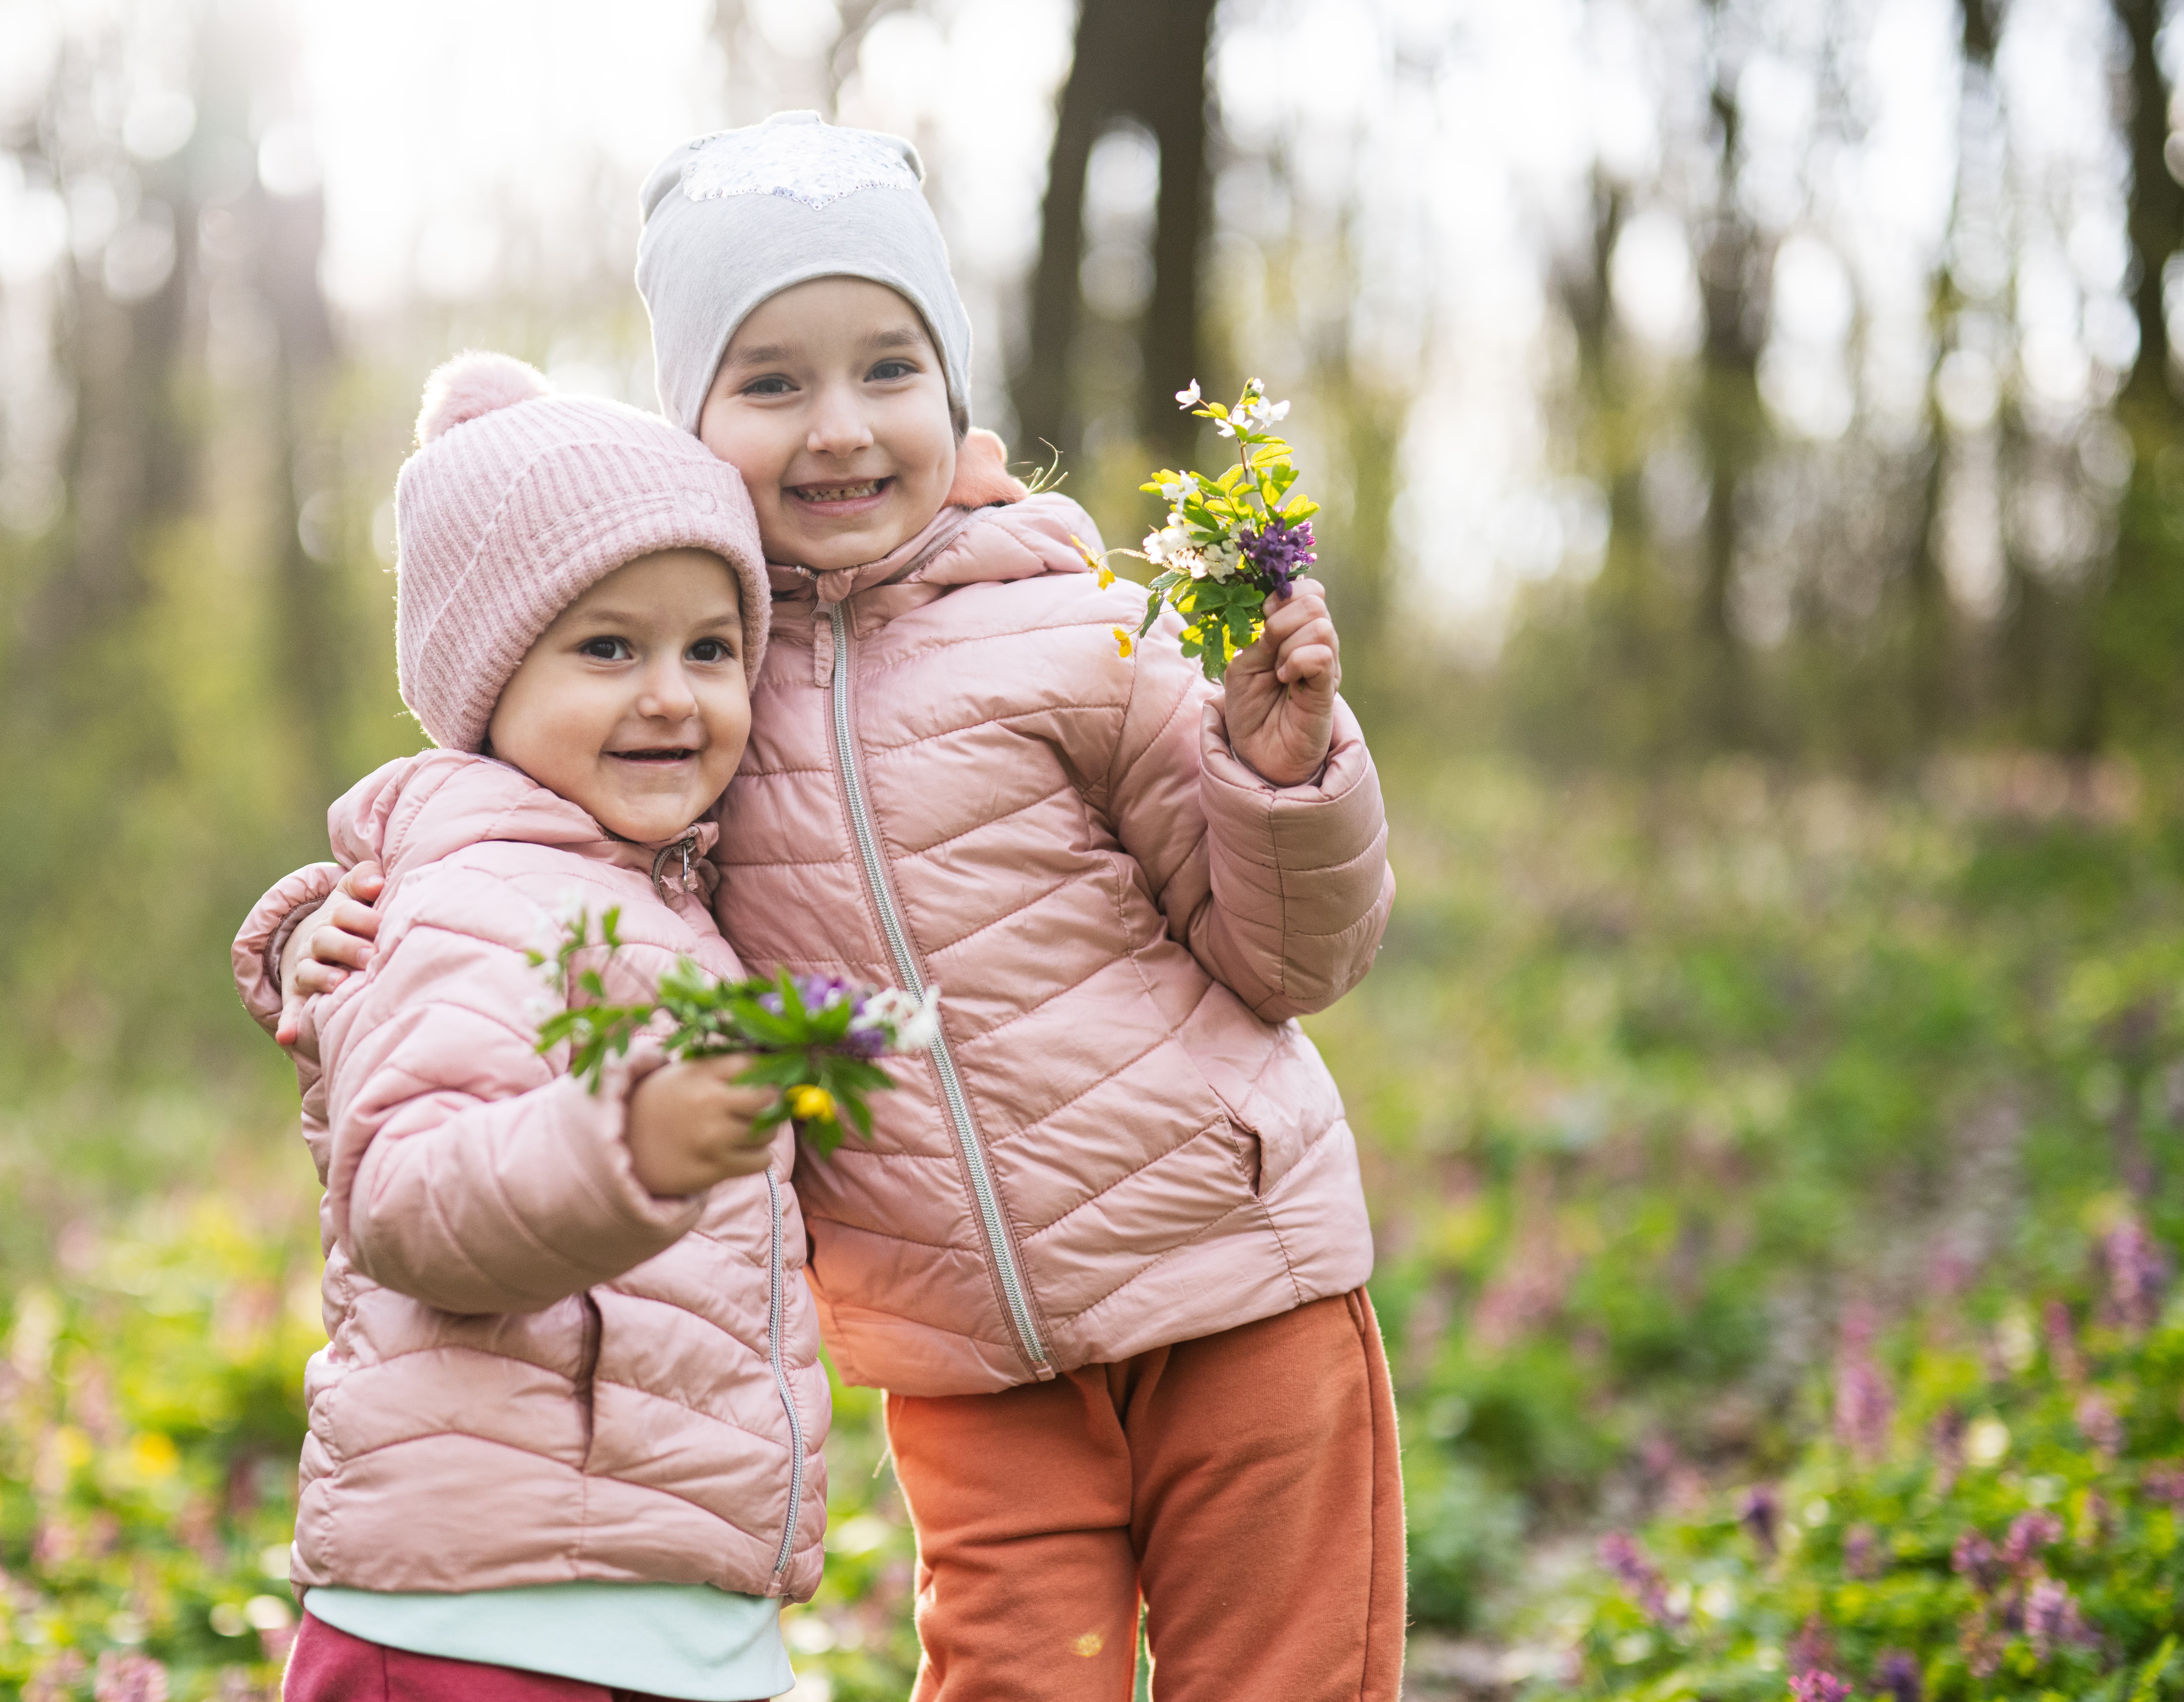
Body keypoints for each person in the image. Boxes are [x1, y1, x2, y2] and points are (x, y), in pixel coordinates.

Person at [280, 114, 1399, 1702]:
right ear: (690, 421)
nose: (841, 428)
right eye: (771, 382)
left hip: (1236, 1270)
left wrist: (1284, 777)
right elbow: (515, 866)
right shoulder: (693, 694)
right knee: (1016, 1676)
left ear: (954, 388)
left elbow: (1295, 957)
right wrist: (319, 928)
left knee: (1287, 1673)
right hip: (958, 1346)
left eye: (889, 368)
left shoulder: (1077, 626)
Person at [232, 352, 828, 1702]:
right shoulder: (474, 903)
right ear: (489, 678)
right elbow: (408, 1200)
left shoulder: (671, 899)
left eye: (711, 648)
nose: (671, 694)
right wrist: (627, 1147)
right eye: (608, 647)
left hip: (659, 1610)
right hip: (487, 1623)